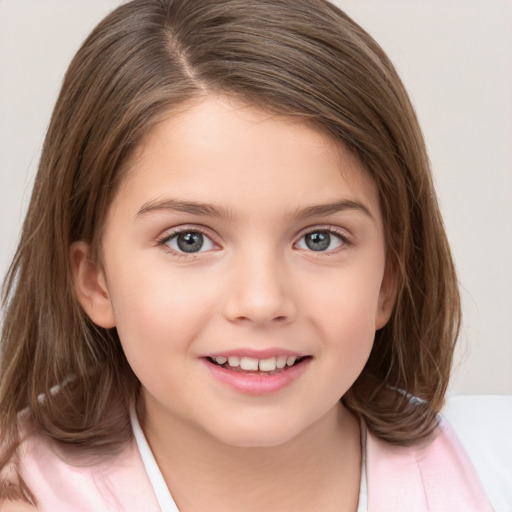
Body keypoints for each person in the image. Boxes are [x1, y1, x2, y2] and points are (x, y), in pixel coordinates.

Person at [0, 0, 509, 510]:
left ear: (387, 279)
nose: (262, 302)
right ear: (95, 282)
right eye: (189, 240)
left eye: (319, 239)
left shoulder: (493, 470)